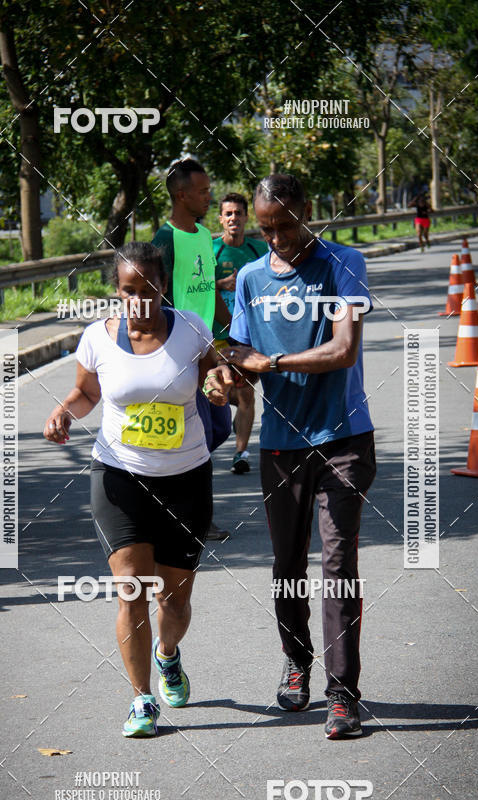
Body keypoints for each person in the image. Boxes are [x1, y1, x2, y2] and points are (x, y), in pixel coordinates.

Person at [204, 174, 376, 739]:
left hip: (344, 438)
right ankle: (297, 661)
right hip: (281, 446)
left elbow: (344, 349)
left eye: (285, 224)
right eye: (266, 228)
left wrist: (272, 365)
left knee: (337, 566)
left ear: (307, 209)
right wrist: (227, 373)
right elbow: (239, 347)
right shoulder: (251, 278)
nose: (275, 237)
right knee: (286, 567)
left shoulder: (342, 263)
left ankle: (344, 695)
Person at [43, 242, 227, 738]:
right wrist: (64, 410)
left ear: (161, 287)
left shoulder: (190, 328)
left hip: (186, 479)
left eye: (148, 291)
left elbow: (214, 373)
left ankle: (168, 655)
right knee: (132, 590)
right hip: (119, 476)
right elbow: (86, 394)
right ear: (116, 291)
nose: (140, 302)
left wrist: (217, 382)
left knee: (175, 600)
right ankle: (141, 700)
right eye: (129, 291)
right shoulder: (95, 339)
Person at [152, 158, 231, 539]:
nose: (208, 197)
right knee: (200, 435)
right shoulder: (164, 240)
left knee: (220, 426)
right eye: (202, 192)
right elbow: (153, 299)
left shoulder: (204, 236)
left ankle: (172, 499)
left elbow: (211, 287)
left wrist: (232, 334)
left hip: (208, 350)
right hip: (181, 354)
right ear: (181, 195)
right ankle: (194, 517)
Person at [213, 192, 267, 474]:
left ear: (247, 217)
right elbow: (197, 289)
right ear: (221, 219)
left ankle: (240, 453)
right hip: (216, 334)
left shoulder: (260, 250)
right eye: (228, 214)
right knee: (223, 389)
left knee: (246, 394)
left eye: (239, 213)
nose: (234, 218)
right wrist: (221, 284)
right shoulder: (211, 251)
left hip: (247, 334)